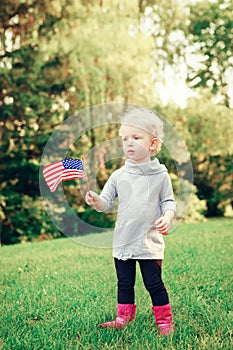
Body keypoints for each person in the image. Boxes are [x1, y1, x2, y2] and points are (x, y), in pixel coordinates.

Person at [85, 108, 176, 335]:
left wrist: (167, 216)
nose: (129, 143)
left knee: (153, 283)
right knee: (124, 283)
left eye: (136, 138)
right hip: (123, 241)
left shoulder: (160, 175)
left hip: (149, 243)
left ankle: (164, 321)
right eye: (125, 138)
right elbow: (105, 202)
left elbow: (169, 202)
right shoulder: (118, 175)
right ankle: (123, 317)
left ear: (152, 144)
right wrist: (95, 200)